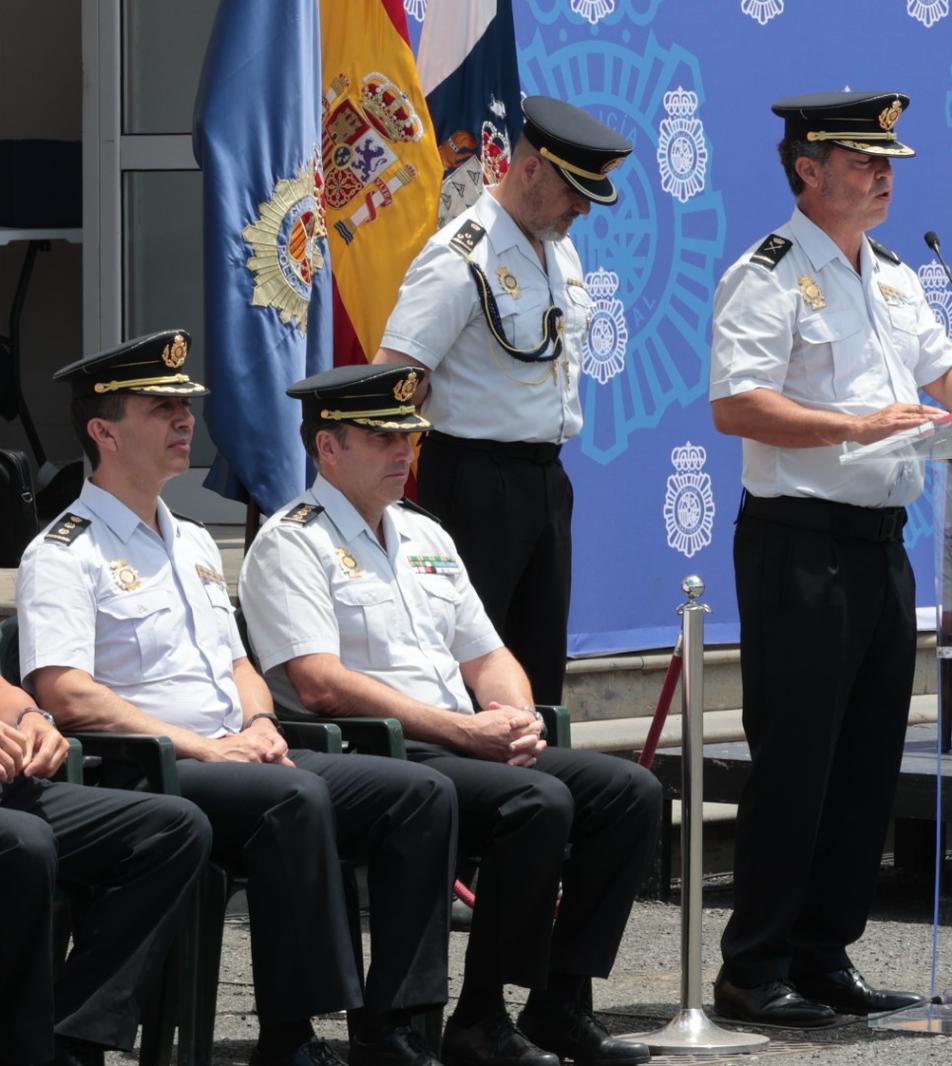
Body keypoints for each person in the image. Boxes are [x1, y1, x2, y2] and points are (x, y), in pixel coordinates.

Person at [17, 331, 459, 1066]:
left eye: (185, 406)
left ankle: (393, 1027)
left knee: (419, 793)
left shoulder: (190, 540)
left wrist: (258, 719)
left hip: (236, 750)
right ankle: (289, 1036)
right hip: (144, 767)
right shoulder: (67, 549)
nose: (185, 420)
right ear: (103, 432)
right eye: (161, 408)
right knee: (292, 803)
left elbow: (238, 663)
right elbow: (65, 694)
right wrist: (202, 745)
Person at [238, 364, 660, 1066]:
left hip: (461, 740)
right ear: (328, 449)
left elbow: (487, 653)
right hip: (379, 752)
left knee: (629, 794)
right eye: (382, 440)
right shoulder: (293, 541)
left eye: (409, 438)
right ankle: (468, 1016)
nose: (405, 455)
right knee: (536, 800)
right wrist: (465, 730)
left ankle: (557, 1002)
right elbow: (319, 685)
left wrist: (516, 717)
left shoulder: (424, 534)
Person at [707, 90, 952, 1028]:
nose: (884, 176)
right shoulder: (769, 273)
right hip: (801, 545)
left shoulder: (898, 274)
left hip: (880, 545)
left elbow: (951, 371)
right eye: (864, 163)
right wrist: (855, 425)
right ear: (807, 172)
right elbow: (737, 404)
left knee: (866, 760)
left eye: (889, 163)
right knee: (797, 760)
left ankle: (825, 953)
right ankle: (754, 965)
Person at [373, 96, 633, 708]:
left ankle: (537, 793)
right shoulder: (459, 255)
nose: (581, 209)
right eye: (573, 191)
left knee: (539, 668)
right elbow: (396, 381)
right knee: (474, 670)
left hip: (545, 480)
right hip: (473, 482)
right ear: (530, 170)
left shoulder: (559, 248)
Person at [0, 677, 210, 1066]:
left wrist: (33, 717)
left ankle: (74, 1039)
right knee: (25, 843)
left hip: (10, 787)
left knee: (172, 828)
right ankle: (21, 1053)